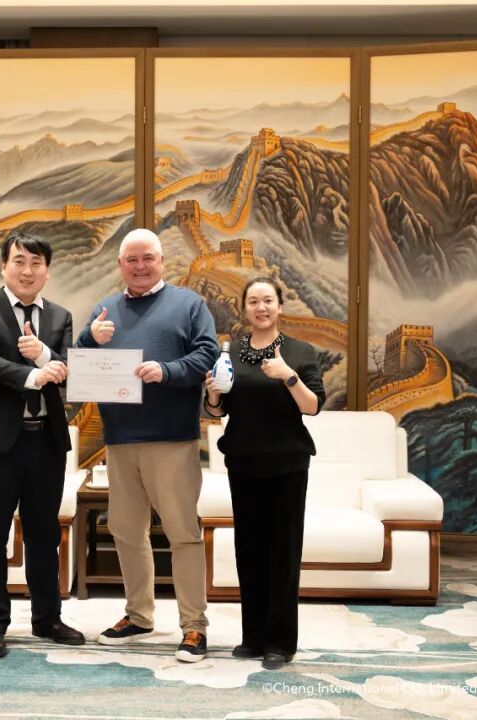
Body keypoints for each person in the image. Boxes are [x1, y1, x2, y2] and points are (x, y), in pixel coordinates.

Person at [76, 227, 219, 662]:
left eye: (148, 258)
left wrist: (167, 371)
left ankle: (194, 627)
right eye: (132, 259)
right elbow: (81, 363)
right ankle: (139, 615)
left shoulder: (189, 304)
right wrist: (89, 339)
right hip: (120, 440)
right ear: (121, 264)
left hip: (172, 439)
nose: (140, 266)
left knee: (182, 533)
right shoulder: (105, 309)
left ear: (161, 261)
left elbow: (207, 354)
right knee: (125, 531)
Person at [0, 231, 85, 659]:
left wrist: (45, 356)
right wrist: (32, 375)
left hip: (45, 441)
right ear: (3, 266)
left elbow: (69, 367)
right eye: (19, 262)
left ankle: (47, 619)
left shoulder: (60, 316)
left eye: (36, 263)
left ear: (47, 270)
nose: (27, 271)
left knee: (45, 537)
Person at [203, 276, 326, 670]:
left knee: (283, 553)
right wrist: (213, 394)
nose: (261, 307)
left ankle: (281, 642)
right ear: (244, 308)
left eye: (268, 300)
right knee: (249, 551)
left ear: (279, 306)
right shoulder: (231, 353)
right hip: (243, 462)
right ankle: (253, 637)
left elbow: (312, 407)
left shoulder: (299, 351)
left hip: (288, 464)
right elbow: (218, 411)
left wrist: (288, 375)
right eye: (253, 301)